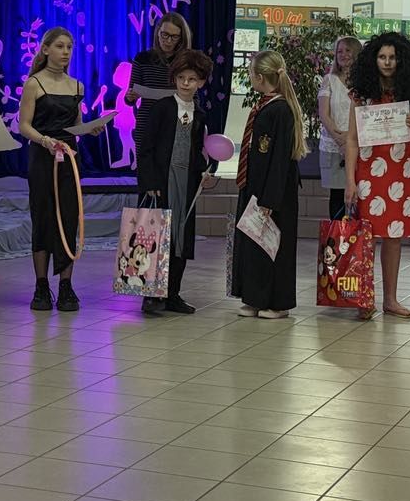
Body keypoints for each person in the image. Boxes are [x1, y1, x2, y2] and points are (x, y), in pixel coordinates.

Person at [345, 32, 410, 320]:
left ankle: (391, 299)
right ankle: (364, 298)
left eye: (392, 57)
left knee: (394, 238)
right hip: (367, 175)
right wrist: (350, 181)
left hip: (400, 174)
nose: (387, 62)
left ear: (401, 60)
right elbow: (351, 140)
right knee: (366, 238)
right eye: (382, 57)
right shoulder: (361, 95)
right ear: (373, 59)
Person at [19, 27, 101, 312]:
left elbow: (75, 124)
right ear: (45, 50)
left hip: (69, 157)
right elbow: (23, 125)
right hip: (42, 156)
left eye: (69, 47)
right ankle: (41, 286)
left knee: (68, 217)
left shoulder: (77, 86)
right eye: (60, 46)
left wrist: (90, 129)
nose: (66, 52)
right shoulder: (34, 84)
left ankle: (66, 286)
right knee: (42, 216)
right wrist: (45, 141)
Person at [136, 49, 217, 316]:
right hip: (161, 181)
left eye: (192, 79)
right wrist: (150, 182)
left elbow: (199, 151)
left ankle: (172, 293)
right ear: (174, 78)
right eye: (181, 78)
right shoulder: (162, 108)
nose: (186, 83)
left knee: (180, 237)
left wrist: (205, 171)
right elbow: (145, 148)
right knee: (156, 236)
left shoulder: (200, 114)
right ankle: (150, 295)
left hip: (186, 182)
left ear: (201, 82)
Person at [230, 50, 304, 319]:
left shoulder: (281, 109)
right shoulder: (263, 105)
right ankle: (254, 297)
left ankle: (278, 302)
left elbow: (279, 158)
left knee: (275, 247)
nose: (250, 78)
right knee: (254, 245)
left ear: (260, 77)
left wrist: (270, 199)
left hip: (274, 192)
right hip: (254, 186)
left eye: (251, 74)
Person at [125, 13, 193, 162]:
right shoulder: (143, 58)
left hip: (175, 122)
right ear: (157, 32)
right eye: (165, 35)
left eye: (174, 37)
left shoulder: (187, 62)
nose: (168, 41)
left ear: (181, 38)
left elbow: (195, 98)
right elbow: (130, 97)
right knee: (145, 168)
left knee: (170, 169)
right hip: (146, 121)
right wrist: (130, 97)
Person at [318, 36, 362, 220]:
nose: (343, 55)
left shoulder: (364, 82)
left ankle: (357, 237)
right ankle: (337, 237)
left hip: (359, 146)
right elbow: (324, 114)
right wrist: (341, 141)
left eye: (348, 50)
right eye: (339, 51)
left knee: (359, 198)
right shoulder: (329, 80)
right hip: (333, 147)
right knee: (337, 198)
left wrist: (351, 142)